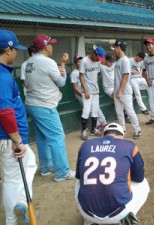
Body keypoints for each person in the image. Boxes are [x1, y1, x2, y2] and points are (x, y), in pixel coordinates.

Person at [75, 122, 150, 224]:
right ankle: (125, 218)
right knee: (144, 184)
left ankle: (89, 221)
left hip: (86, 211)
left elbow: (79, 176)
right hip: (118, 214)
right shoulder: (129, 145)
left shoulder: (85, 145)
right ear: (122, 137)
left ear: (102, 135)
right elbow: (139, 178)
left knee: (79, 182)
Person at [25, 34, 75, 182]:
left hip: (32, 104)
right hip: (45, 106)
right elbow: (61, 83)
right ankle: (62, 172)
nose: (52, 46)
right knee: (57, 137)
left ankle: (46, 168)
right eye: (50, 44)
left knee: (42, 138)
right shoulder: (48, 62)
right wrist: (63, 68)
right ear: (46, 47)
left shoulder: (29, 62)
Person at [0, 29, 37, 224]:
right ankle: (13, 218)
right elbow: (4, 112)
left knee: (14, 174)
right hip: (7, 137)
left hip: (5, 136)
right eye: (15, 50)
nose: (17, 53)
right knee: (15, 177)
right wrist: (17, 141)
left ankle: (21, 203)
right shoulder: (3, 76)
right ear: (8, 50)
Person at [112, 40, 142, 139]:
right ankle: (122, 131)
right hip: (118, 91)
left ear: (119, 48)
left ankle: (137, 130)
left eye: (115, 47)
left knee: (129, 111)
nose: (114, 49)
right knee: (119, 112)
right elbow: (118, 78)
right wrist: (115, 90)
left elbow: (125, 77)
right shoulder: (118, 61)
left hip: (124, 92)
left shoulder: (125, 60)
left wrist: (119, 91)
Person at [70, 56, 107, 134]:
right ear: (75, 63)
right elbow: (74, 87)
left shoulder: (87, 69)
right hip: (80, 93)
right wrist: (82, 94)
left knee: (95, 109)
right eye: (78, 61)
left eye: (81, 61)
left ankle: (102, 124)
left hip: (91, 92)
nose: (80, 62)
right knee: (88, 110)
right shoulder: (74, 73)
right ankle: (97, 125)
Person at [79, 45, 107, 140]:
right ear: (94, 54)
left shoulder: (98, 62)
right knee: (86, 111)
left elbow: (96, 76)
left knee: (95, 111)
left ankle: (93, 129)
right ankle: (83, 131)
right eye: (98, 57)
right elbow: (81, 76)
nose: (98, 60)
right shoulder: (84, 61)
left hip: (95, 90)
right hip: (86, 91)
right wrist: (86, 90)